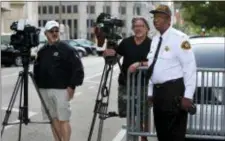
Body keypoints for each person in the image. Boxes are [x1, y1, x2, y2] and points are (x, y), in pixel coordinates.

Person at [96, 16, 152, 141]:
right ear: (132, 28)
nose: (138, 28)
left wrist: (140, 64)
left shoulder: (151, 43)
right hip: (126, 83)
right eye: (135, 26)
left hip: (143, 85)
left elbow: (155, 62)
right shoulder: (126, 42)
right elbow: (115, 60)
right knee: (129, 114)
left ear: (147, 28)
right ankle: (132, 138)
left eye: (141, 26)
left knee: (143, 115)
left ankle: (144, 138)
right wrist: (109, 55)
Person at [147, 4, 197, 141]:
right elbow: (153, 67)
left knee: (174, 134)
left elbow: (190, 67)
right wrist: (150, 92)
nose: (155, 20)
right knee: (161, 133)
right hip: (159, 94)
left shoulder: (180, 38)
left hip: (173, 92)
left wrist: (188, 96)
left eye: (159, 17)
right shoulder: (156, 39)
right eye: (154, 17)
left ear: (169, 20)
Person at [33, 20, 84, 141]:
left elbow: (78, 69)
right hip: (45, 89)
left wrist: (72, 86)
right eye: (51, 31)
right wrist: (39, 87)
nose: (54, 33)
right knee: (53, 119)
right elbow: (37, 69)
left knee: (63, 119)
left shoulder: (67, 49)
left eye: (56, 31)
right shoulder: (42, 51)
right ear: (46, 33)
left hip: (61, 90)